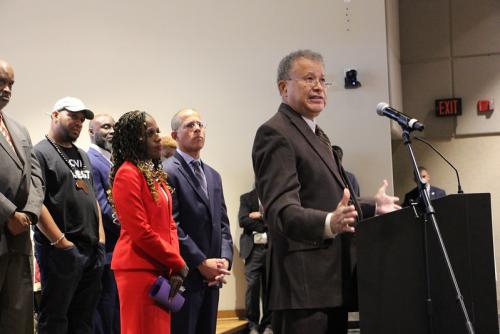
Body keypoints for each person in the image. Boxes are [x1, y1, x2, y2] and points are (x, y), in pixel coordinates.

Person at [252, 50, 401, 334]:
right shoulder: (275, 133)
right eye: (309, 79)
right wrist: (328, 223)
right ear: (284, 88)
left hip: (331, 284)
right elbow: (280, 211)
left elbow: (328, 199)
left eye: (322, 80)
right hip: (303, 290)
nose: (319, 86)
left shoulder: (316, 135)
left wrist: (373, 207)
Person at [109, 110, 188, 334]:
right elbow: (140, 231)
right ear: (135, 138)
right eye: (149, 132)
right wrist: (177, 261)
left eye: (157, 131)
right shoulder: (128, 174)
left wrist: (174, 264)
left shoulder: (153, 175)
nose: (157, 137)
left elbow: (170, 224)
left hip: (161, 268)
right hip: (138, 270)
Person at [34, 96, 106, 334]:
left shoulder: (82, 155)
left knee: (83, 320)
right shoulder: (40, 152)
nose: (79, 122)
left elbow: (93, 198)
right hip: (60, 252)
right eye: (73, 116)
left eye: (82, 119)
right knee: (55, 320)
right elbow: (37, 202)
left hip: (91, 250)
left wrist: (101, 241)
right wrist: (62, 244)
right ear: (55, 115)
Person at [164, 108, 233, 334]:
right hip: (186, 274)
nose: (197, 129)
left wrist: (224, 261)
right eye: (189, 125)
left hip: (213, 277)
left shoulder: (213, 175)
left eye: (200, 125)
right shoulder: (167, 171)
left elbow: (222, 223)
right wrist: (201, 263)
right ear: (175, 136)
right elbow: (172, 225)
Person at [0, 59, 44, 334]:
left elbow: (37, 178)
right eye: (1, 82)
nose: (6, 89)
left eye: (11, 84)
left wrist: (28, 214)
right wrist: (8, 213)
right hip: (4, 225)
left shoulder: (19, 129)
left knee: (18, 322)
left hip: (18, 241)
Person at [87, 114, 120, 334]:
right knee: (107, 308)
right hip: (108, 246)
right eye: (105, 127)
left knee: (117, 309)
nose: (112, 131)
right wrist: (131, 229)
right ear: (91, 132)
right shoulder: (91, 160)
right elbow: (103, 206)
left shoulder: (114, 160)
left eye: (114, 127)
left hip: (120, 246)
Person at [238, 187, 272, 334]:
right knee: (252, 286)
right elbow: (243, 220)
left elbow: (277, 221)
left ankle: (268, 324)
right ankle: (252, 325)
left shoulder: (273, 199)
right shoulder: (246, 197)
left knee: (270, 287)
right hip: (253, 250)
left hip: (271, 248)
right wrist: (266, 223)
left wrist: (260, 215)